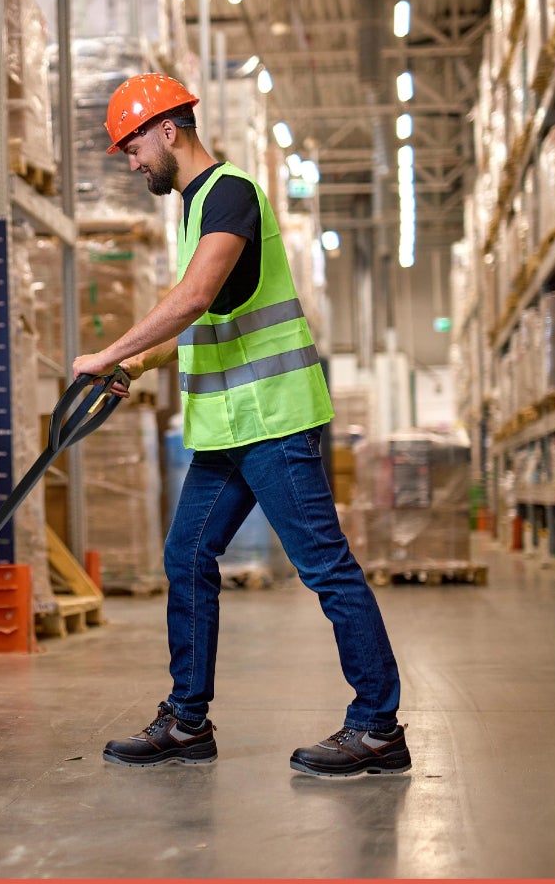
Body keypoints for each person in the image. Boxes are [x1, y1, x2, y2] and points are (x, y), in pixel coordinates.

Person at [77, 74, 407, 779]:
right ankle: (187, 722)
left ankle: (379, 727)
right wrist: (133, 369)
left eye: (132, 146)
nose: (131, 163)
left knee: (326, 569)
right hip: (229, 429)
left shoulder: (230, 195)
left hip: (276, 422)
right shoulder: (197, 209)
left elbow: (194, 297)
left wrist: (110, 350)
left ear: (168, 130)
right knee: (186, 556)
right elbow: (208, 321)